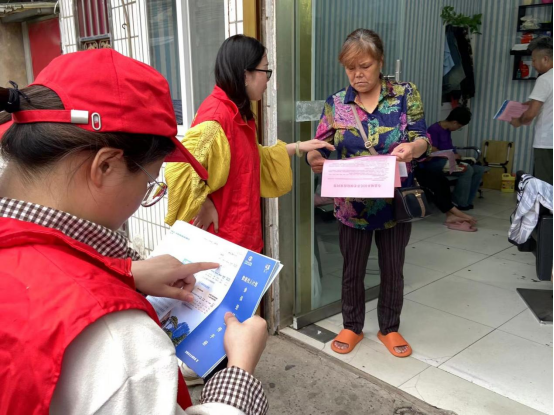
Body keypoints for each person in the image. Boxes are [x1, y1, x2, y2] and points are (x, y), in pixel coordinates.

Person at [0, 49, 271, 415]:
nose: (146, 196)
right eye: (150, 182)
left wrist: (124, 273)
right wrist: (239, 369)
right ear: (106, 167)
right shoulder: (118, 343)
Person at [307, 29, 431, 358]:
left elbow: (423, 137)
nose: (357, 75)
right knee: (352, 268)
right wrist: (314, 158)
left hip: (395, 202)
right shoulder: (337, 102)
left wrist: (414, 148)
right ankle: (352, 325)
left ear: (380, 62)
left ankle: (389, 327)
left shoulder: (404, 94)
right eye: (350, 68)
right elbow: (320, 143)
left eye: (364, 66)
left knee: (393, 267)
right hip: (352, 204)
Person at [165, 35, 334, 252]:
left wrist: (298, 147)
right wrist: (202, 203)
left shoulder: (238, 113)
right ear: (246, 75)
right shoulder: (216, 119)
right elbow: (179, 167)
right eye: (266, 70)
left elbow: (250, 158)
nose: (268, 79)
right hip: (221, 241)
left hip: (242, 233)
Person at [510, 36, 553, 186]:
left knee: (546, 186)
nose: (533, 64)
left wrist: (518, 121)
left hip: (547, 142)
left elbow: (530, 114)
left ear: (545, 59)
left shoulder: (545, 79)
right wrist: (531, 102)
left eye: (534, 60)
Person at [425, 107, 486, 210]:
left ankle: (467, 201)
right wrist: (451, 155)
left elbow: (449, 147)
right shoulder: (434, 129)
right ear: (454, 122)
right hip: (435, 163)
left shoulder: (447, 130)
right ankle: (458, 202)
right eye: (459, 126)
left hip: (448, 161)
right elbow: (432, 151)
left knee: (479, 169)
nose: (458, 128)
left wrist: (457, 155)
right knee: (467, 170)